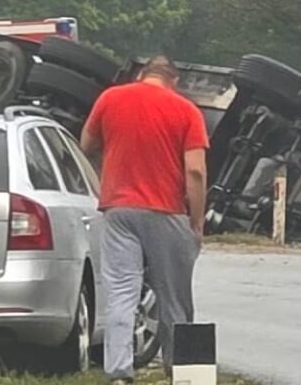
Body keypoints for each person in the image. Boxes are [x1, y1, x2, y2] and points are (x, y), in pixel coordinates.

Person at [81, 56, 208, 384]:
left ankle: (120, 373)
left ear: (141, 75)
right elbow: (195, 170)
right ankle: (183, 372)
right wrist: (196, 223)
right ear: (174, 81)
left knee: (122, 291)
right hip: (166, 211)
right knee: (174, 296)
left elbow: (87, 144)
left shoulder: (110, 98)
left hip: (118, 210)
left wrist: (106, 169)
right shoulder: (185, 110)